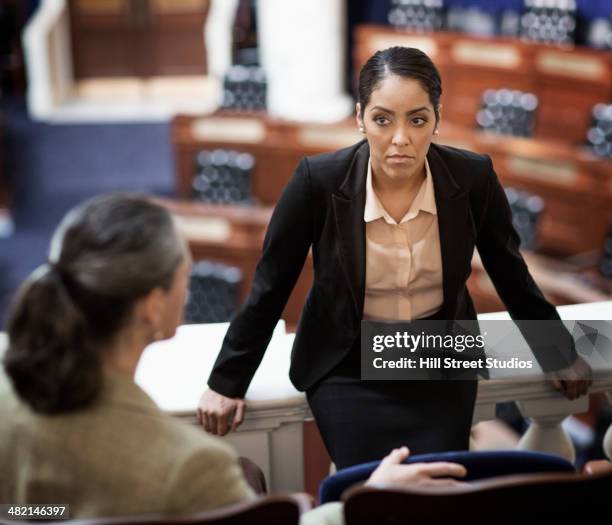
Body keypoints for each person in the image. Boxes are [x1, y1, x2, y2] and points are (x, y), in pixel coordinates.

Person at [199, 46, 592, 469]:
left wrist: (556, 349)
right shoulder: (317, 181)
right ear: (359, 118)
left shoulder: (473, 178)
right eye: (382, 119)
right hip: (349, 366)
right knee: (369, 491)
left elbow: (510, 271)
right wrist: (227, 380)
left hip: (438, 357)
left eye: (417, 119)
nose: (400, 138)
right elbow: (271, 285)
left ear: (437, 119)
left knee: (439, 486)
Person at [0, 193, 468, 523]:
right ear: (151, 305)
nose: (189, 285)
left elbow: (28, 513)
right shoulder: (189, 468)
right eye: (184, 271)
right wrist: (365, 501)